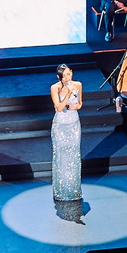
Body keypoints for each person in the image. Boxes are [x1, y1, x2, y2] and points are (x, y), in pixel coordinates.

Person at [49, 63, 84, 222]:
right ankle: (62, 191)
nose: (69, 77)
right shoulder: (54, 88)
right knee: (61, 157)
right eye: (66, 75)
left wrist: (77, 105)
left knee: (74, 156)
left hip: (74, 123)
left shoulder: (78, 84)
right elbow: (58, 107)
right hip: (60, 125)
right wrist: (68, 92)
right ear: (60, 77)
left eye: (70, 73)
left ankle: (74, 191)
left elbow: (80, 103)